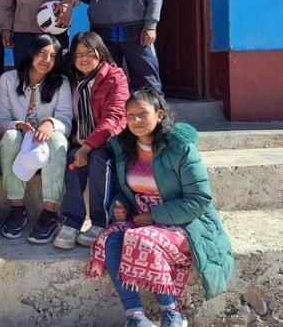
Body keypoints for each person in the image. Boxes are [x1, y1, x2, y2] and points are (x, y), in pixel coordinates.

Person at [86, 88, 233, 327]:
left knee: (141, 238)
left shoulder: (181, 148)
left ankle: (172, 311)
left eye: (142, 114)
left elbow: (199, 199)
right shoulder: (124, 148)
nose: (136, 120)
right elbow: (120, 189)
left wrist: (154, 216)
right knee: (111, 239)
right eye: (130, 115)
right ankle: (134, 316)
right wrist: (119, 205)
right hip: (141, 217)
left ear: (160, 115)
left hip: (186, 222)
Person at [53, 31, 129, 250]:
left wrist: (86, 148)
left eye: (89, 53)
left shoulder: (115, 77)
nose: (83, 59)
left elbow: (114, 118)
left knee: (97, 160)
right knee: (71, 162)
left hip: (110, 142)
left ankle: (100, 222)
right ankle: (71, 222)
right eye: (78, 54)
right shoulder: (73, 80)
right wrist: (81, 148)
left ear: (100, 53)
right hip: (82, 141)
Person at [0, 34, 71, 243]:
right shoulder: (8, 80)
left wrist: (50, 123)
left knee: (58, 141)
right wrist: (17, 126)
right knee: (10, 137)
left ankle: (50, 212)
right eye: (42, 54)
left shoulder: (61, 83)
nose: (47, 60)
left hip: (47, 142)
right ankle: (17, 208)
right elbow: (1, 121)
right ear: (31, 54)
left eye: (52, 56)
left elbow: (66, 121)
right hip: (20, 140)